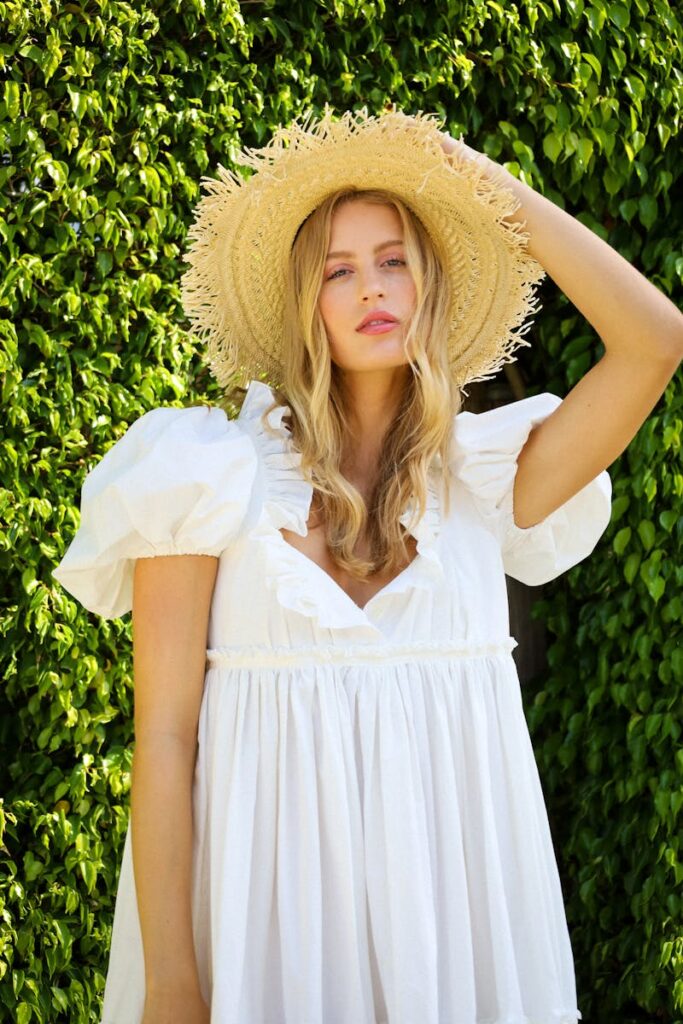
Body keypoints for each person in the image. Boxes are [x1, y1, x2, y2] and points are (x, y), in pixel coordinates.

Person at [52, 107, 683, 1024]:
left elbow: (655, 341)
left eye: (394, 260)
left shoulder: (482, 482)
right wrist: (173, 987)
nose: (369, 288)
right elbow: (167, 743)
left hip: (459, 945)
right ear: (305, 302)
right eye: (336, 270)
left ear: (426, 286)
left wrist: (490, 189)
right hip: (265, 940)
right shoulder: (204, 478)